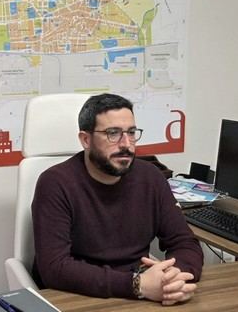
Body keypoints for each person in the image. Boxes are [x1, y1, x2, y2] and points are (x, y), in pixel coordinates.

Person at [31, 93, 203, 305]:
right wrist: (136, 285)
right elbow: (55, 268)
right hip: (76, 295)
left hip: (138, 294)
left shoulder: (151, 177)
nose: (126, 144)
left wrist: (173, 278)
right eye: (113, 134)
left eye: (131, 133)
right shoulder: (55, 183)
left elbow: (185, 242)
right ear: (86, 140)